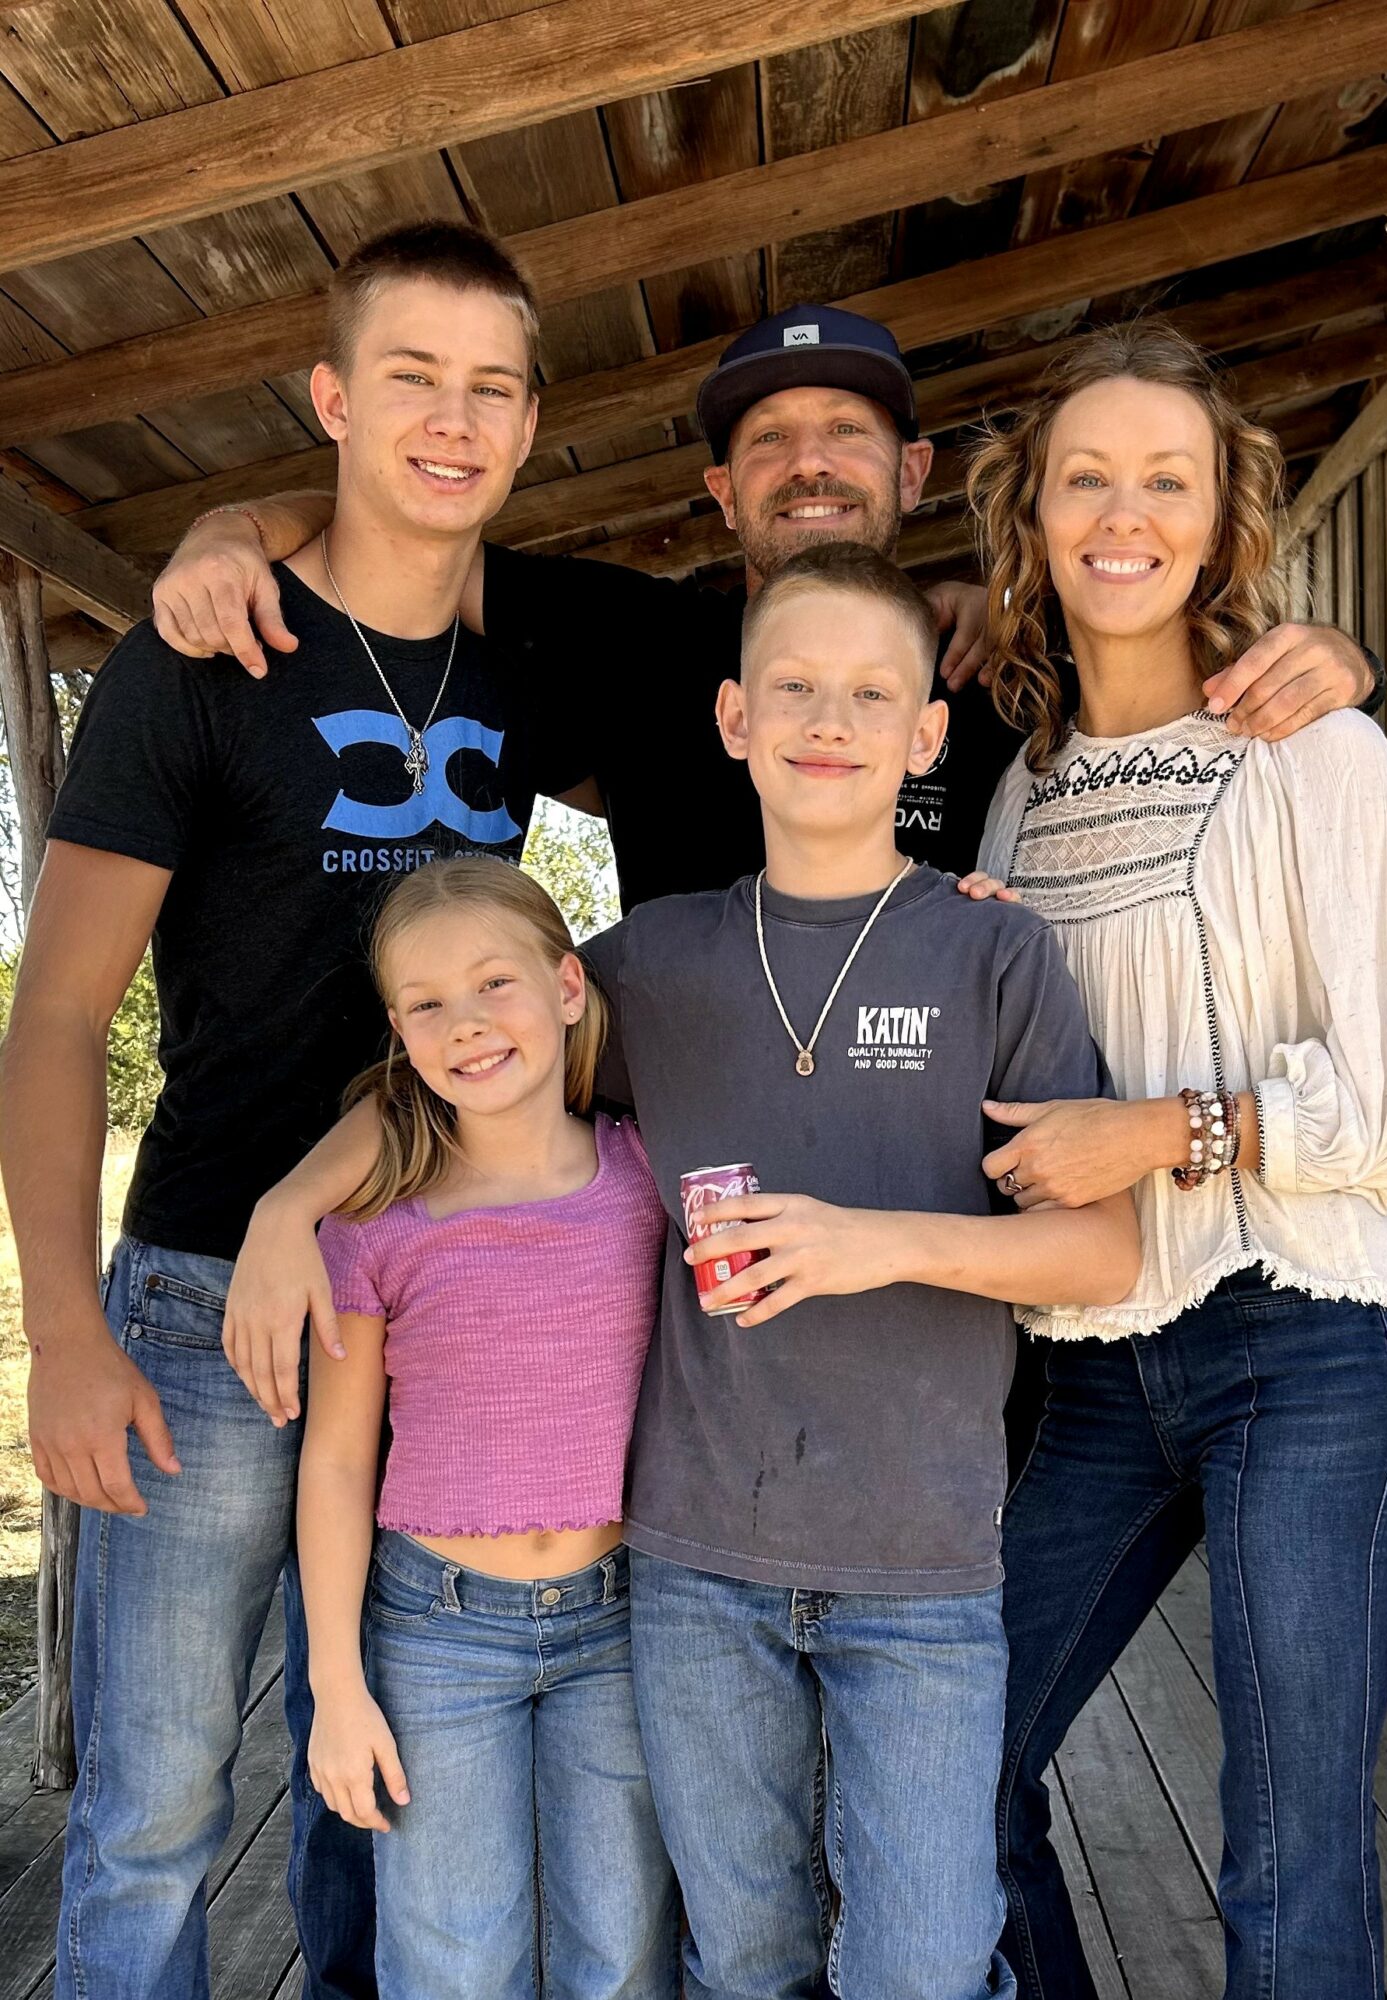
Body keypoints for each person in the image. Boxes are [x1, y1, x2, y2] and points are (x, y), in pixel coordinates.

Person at [233, 540, 1143, 2000]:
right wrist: (290, 1205)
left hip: (920, 1558)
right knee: (745, 1956)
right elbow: (469, 1050)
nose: (829, 721)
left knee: (922, 1966)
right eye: (793, 688)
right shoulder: (654, 962)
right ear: (734, 719)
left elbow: (1101, 1250)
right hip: (695, 1565)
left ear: (928, 735)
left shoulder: (995, 955)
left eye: (872, 694)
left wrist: (870, 1243)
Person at [0, 221, 558, 2000]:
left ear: (532, 421)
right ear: (332, 397)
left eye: (491, 389)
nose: (452, 422)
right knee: (159, 1811)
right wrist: (65, 1335)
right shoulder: (198, 657)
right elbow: (57, 1017)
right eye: (412, 379)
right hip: (196, 1313)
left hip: (431, 1303)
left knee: (381, 1777)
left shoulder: (521, 660)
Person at [964, 321, 1387, 2000]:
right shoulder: (1022, 796)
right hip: (1097, 1367)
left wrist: (1162, 1131)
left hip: (1319, 1342)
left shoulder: (1314, 747)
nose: (1125, 516)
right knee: (951, 1769)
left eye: (1166, 481)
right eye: (1086, 480)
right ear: (1031, 515)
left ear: (1220, 517)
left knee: (1283, 1863)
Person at [150, 301, 1386, 909]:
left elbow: (1183, 647)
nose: (810, 464)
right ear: (721, 490)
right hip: (705, 1205)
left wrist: (1342, 659)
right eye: (770, 440)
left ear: (913, 471)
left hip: (953, 1216)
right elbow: (407, 528)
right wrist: (231, 529)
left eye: (847, 430)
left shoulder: (996, 654)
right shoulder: (641, 640)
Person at [301, 856, 675, 1999]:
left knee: (622, 1949)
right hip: (439, 1629)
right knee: (451, 1958)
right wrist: (336, 1685)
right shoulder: (373, 1223)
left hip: (624, 1617)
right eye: (425, 1003)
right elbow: (337, 1460)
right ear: (399, 1034)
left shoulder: (649, 1179)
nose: (464, 1022)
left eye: (493, 982)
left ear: (567, 986)